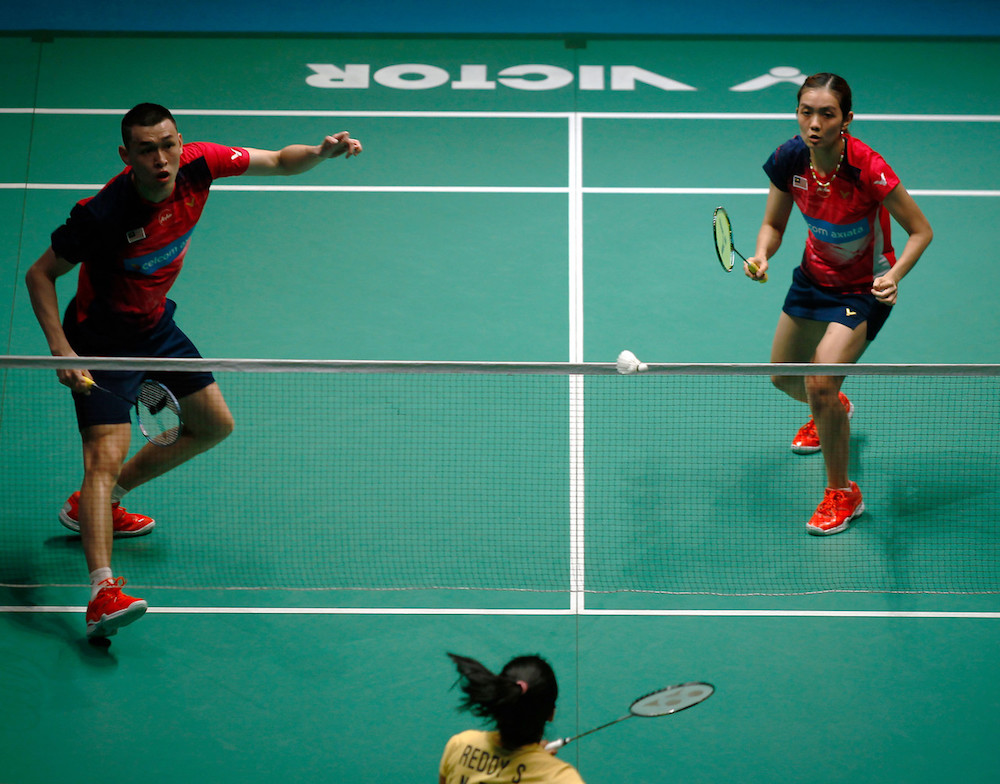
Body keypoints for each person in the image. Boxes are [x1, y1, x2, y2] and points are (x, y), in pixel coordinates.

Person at [24, 103, 363, 639]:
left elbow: (277, 160)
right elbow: (40, 274)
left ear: (180, 141)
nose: (162, 159)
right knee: (102, 459)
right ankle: (101, 592)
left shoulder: (201, 164)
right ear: (126, 155)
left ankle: (98, 505)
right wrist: (63, 350)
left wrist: (319, 154)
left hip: (156, 328)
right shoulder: (103, 215)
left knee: (213, 425)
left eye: (168, 144)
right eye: (146, 149)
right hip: (102, 343)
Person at [746, 73, 932, 536]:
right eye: (806, 112)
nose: (814, 123)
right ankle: (831, 406)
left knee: (818, 381)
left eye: (826, 114)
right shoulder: (790, 158)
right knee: (782, 377)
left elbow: (921, 231)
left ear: (846, 119)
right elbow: (773, 223)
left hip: (863, 288)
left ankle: (842, 493)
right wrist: (763, 253)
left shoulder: (868, 167)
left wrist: (892, 276)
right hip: (813, 278)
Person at [440, 653, 586, 784]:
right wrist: (539, 765)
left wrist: (534, 760)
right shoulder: (563, 779)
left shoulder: (460, 746)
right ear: (551, 714)